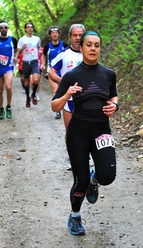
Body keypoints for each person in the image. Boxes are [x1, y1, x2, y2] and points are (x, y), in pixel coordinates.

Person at [51, 31, 119, 235]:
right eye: (88, 45)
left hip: (101, 130)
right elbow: (55, 106)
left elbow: (114, 96)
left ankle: (94, 180)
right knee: (79, 180)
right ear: (81, 47)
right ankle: (75, 217)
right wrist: (67, 95)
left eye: (96, 45)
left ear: (100, 48)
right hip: (78, 132)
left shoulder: (108, 74)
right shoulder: (71, 76)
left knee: (108, 175)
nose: (93, 48)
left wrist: (114, 106)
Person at [48, 24, 85, 128]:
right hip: (70, 99)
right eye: (75, 35)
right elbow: (51, 72)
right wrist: (63, 82)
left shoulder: (89, 52)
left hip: (87, 97)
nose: (78, 38)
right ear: (70, 37)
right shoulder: (64, 54)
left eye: (80, 35)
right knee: (70, 132)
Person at [42, 26, 68, 119]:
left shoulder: (64, 45)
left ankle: (66, 106)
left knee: (64, 90)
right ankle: (58, 110)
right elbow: (44, 56)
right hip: (52, 71)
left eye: (56, 32)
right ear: (50, 35)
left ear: (59, 34)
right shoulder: (47, 46)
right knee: (55, 90)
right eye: (52, 33)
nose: (54, 34)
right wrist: (42, 64)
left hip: (63, 71)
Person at [16, 22, 44, 107]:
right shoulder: (22, 39)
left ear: (33, 29)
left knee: (36, 80)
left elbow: (40, 48)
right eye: (28, 27)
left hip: (34, 61)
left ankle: (33, 94)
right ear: (25, 29)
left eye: (31, 27)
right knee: (27, 82)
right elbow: (18, 52)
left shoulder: (37, 39)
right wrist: (23, 48)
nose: (30, 29)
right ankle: (28, 97)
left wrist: (40, 52)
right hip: (25, 62)